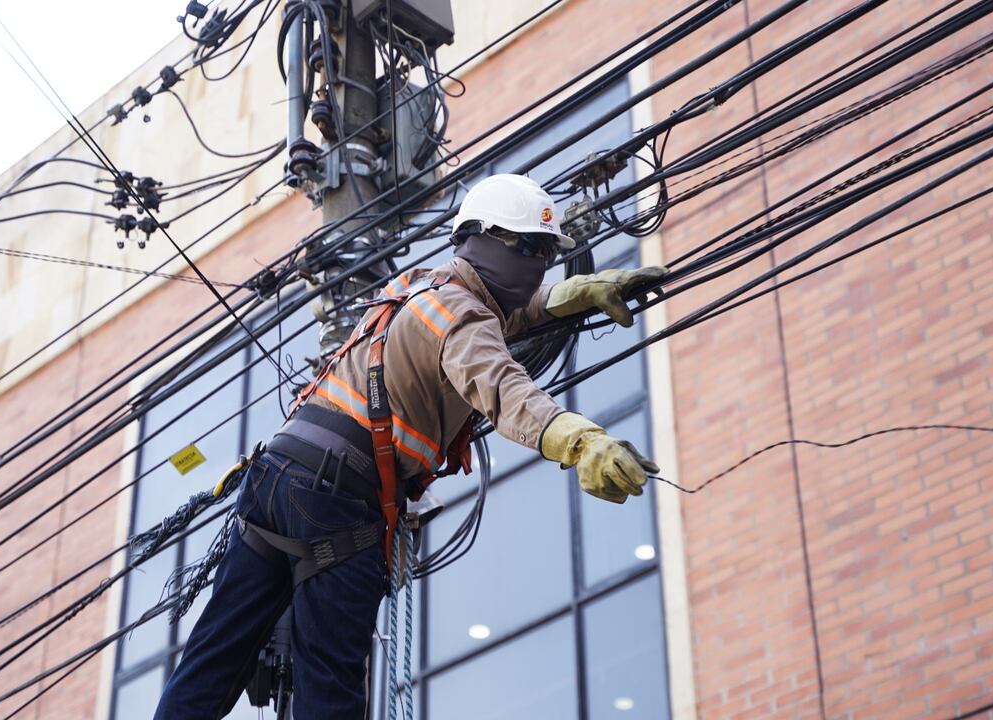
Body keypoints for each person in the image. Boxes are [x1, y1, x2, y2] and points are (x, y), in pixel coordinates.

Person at [153, 173, 664, 719]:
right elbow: (504, 388)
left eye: (544, 251)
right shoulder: (463, 318)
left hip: (273, 479)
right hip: (336, 500)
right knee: (331, 687)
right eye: (531, 247)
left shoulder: (422, 285)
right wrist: (582, 442)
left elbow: (509, 310)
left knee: (213, 661)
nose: (540, 262)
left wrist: (571, 295)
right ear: (485, 239)